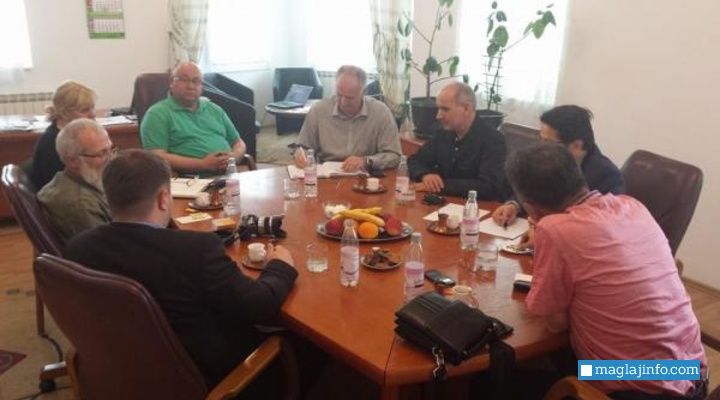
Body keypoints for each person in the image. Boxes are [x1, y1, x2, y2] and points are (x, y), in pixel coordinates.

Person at [63, 149, 298, 388]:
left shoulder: (77, 248)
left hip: (122, 368)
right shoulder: (197, 250)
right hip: (202, 377)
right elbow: (260, 305)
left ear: (108, 196)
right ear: (164, 198)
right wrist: (279, 265)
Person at [505, 142, 707, 399]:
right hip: (691, 372)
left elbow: (556, 324)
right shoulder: (631, 205)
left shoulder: (555, 230)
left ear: (531, 208)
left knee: (499, 379)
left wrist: (545, 233)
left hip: (638, 389)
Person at [493, 105, 624, 230]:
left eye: (548, 143)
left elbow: (604, 226)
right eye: (540, 139)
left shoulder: (608, 175)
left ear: (576, 145)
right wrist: (514, 205)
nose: (542, 147)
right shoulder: (549, 161)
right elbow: (532, 189)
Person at [141, 61, 247, 176]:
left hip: (229, 177)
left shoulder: (215, 110)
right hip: (191, 182)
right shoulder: (157, 114)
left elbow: (238, 142)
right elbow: (157, 156)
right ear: (171, 82)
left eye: (196, 81)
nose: (191, 86)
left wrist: (234, 157)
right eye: (184, 80)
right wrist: (202, 164)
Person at [407, 82, 507, 200]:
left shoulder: (493, 140)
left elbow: (489, 187)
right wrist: (425, 175)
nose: (438, 116)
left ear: (467, 108)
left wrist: (441, 186)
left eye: (445, 109)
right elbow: (415, 160)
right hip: (443, 202)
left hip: (476, 206)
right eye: (438, 109)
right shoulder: (443, 133)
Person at [294, 65, 401, 172]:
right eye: (339, 95)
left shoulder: (380, 112)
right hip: (326, 174)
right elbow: (303, 147)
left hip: (366, 175)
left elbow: (394, 155)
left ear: (364, 92)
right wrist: (300, 155)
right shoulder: (319, 110)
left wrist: (367, 161)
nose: (343, 102)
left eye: (350, 98)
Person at [37, 118, 113, 244]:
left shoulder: (71, 179)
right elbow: (105, 249)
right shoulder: (80, 204)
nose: (110, 159)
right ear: (73, 161)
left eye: (110, 150)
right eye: (101, 153)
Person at [30, 81, 97, 189]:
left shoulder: (71, 134)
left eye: (92, 108)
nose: (93, 114)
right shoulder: (51, 142)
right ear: (65, 112)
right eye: (85, 110)